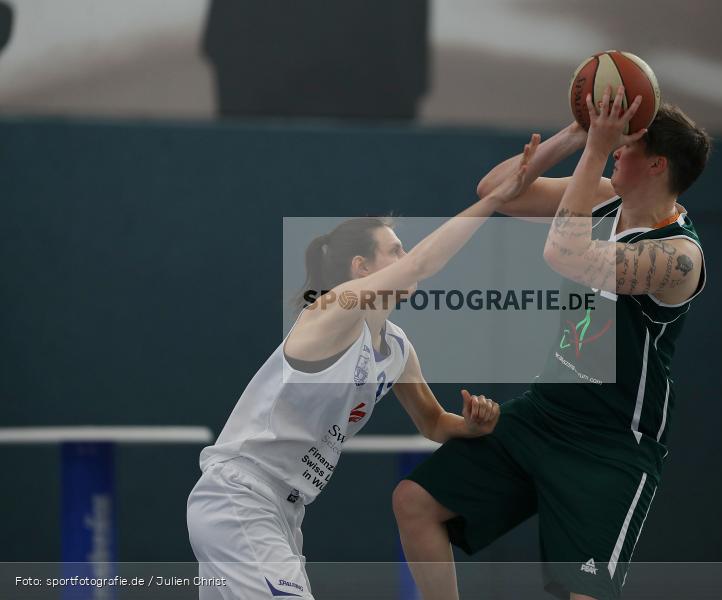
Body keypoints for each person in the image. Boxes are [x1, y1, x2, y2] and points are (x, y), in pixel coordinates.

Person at [393, 86, 711, 600]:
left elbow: (564, 253)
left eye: (627, 145)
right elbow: (496, 189)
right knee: (416, 501)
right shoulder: (607, 196)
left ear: (657, 166)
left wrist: (593, 152)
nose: (617, 151)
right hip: (546, 414)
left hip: (610, 445)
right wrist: (578, 132)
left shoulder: (678, 256)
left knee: (581, 595)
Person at [185, 140, 541, 599]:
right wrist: (493, 200)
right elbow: (425, 262)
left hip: (284, 514)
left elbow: (433, 422)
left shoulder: (395, 348)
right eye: (394, 251)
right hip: (240, 496)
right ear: (362, 268)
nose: (405, 257)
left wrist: (474, 425)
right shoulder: (333, 309)